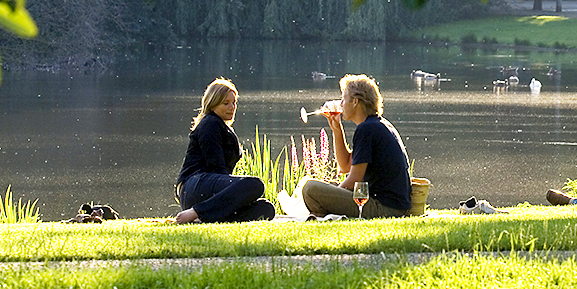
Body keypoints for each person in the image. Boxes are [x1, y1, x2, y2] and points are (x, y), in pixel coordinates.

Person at [300, 74, 411, 218]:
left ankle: (323, 214)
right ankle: (325, 214)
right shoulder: (376, 125)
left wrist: (334, 197)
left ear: (355, 102)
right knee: (326, 186)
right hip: (388, 204)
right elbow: (346, 166)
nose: (340, 104)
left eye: (343, 99)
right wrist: (337, 130)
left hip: (385, 208)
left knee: (310, 189)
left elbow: (354, 180)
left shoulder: (367, 129)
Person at [173, 78, 276, 223]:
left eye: (234, 103)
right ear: (213, 104)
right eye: (226, 103)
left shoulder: (222, 126)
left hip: (210, 189)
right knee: (256, 185)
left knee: (266, 209)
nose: (232, 107)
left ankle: (208, 218)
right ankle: (196, 212)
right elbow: (216, 166)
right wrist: (235, 190)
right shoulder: (210, 123)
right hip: (195, 186)